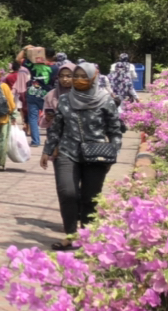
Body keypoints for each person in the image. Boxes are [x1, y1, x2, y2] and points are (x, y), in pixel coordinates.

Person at [40, 63, 123, 251]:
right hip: (67, 151)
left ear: (94, 77)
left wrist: (113, 153)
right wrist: (47, 150)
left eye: (83, 76)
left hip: (96, 154)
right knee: (67, 193)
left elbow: (115, 130)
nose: (78, 80)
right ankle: (71, 235)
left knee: (90, 197)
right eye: (75, 76)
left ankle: (87, 237)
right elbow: (57, 127)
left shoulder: (105, 101)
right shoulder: (64, 100)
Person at [26, 55, 54, 148]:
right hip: (46, 96)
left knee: (33, 118)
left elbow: (19, 60)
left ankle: (35, 141)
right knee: (50, 116)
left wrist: (26, 50)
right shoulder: (51, 69)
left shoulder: (32, 67)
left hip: (33, 94)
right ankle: (51, 140)